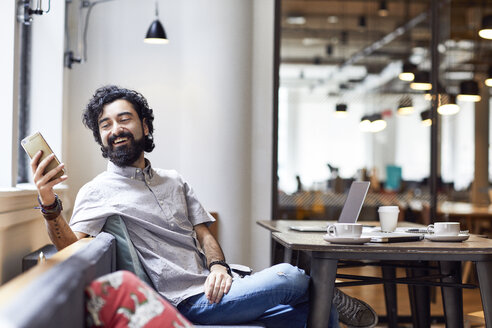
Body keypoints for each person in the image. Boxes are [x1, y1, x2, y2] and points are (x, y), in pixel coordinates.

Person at [31, 85, 377, 328]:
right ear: (101, 139)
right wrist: (48, 202)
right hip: (186, 302)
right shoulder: (98, 190)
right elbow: (71, 247)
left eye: (124, 119)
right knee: (292, 276)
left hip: (217, 287)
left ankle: (327, 300)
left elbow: (204, 232)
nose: (115, 129)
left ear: (144, 126)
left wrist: (219, 267)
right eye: (105, 125)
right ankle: (328, 293)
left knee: (312, 315)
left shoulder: (174, 180)